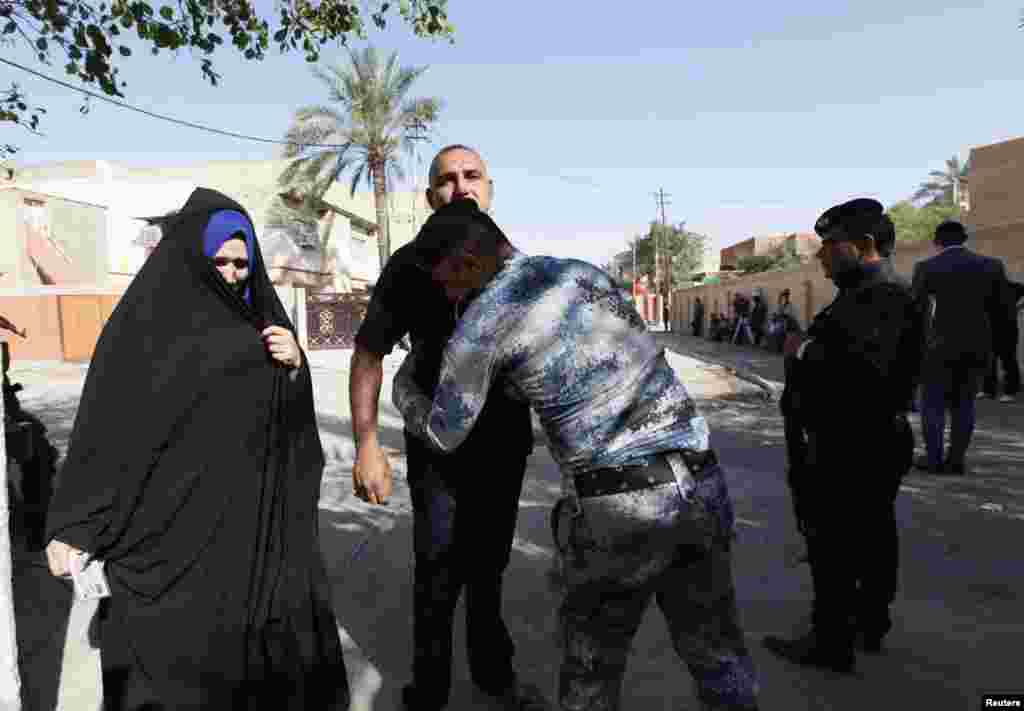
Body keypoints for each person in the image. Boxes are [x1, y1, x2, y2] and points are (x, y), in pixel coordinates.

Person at [393, 199, 761, 711]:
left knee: (591, 676)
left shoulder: (482, 325)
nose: (449, 296)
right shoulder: (582, 276)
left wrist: (406, 388)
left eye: (446, 282)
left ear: (467, 261)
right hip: (700, 483)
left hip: (618, 510)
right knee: (719, 656)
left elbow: (444, 435)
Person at [44, 188, 349, 710]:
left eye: (241, 264)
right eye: (221, 261)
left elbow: (294, 436)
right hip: (162, 534)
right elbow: (105, 430)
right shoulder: (144, 327)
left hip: (246, 534)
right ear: (190, 255)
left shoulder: (265, 326)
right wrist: (73, 526)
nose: (232, 273)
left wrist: (294, 368)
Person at [349, 145, 543, 711]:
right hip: (436, 452)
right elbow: (368, 354)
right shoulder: (410, 264)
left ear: (490, 187)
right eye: (446, 179)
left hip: (504, 446)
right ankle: (428, 691)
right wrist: (367, 444)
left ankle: (493, 676)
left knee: (490, 568)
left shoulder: (518, 268)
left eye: (472, 176)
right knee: (437, 569)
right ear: (430, 195)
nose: (461, 186)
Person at [765, 198, 922, 674]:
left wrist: (804, 353)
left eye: (830, 246)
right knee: (872, 535)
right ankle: (867, 623)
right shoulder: (864, 294)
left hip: (852, 441)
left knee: (835, 544)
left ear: (865, 245)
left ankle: (832, 642)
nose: (822, 257)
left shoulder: (882, 296)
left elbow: (862, 374)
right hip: (859, 437)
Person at [911, 220, 1015, 475]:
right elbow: (1003, 312)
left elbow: (916, 311)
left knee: (932, 403)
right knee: (964, 403)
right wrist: (1001, 349)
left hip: (938, 346)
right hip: (977, 347)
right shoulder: (991, 266)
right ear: (964, 239)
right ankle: (956, 460)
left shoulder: (927, 267)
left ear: (937, 242)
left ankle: (934, 459)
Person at [980, 279, 1024, 402]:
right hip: (990, 328)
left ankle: (1011, 392)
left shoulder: (1013, 286)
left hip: (1008, 329)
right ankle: (988, 390)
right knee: (989, 360)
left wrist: (1018, 307)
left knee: (1008, 360)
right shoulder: (986, 286)